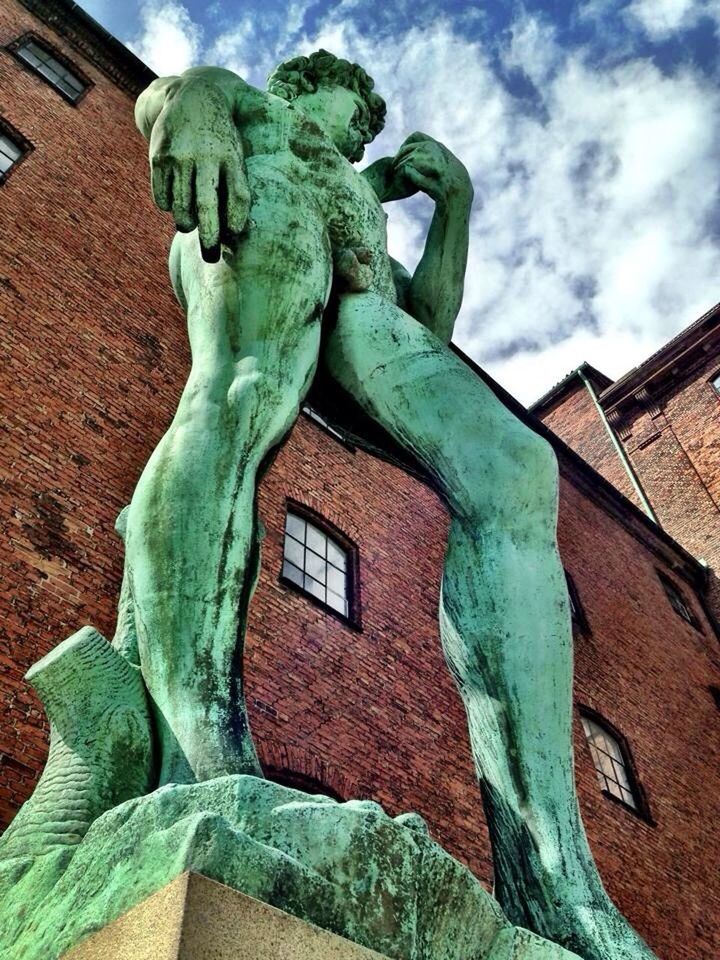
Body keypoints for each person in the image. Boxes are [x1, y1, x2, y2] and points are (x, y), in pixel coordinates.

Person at [132, 51, 655, 960]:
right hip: (270, 200)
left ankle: (555, 885)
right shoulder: (266, 115)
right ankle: (191, 737)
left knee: (517, 470)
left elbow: (426, 325)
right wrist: (195, 106)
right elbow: (177, 93)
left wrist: (453, 212)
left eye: (370, 127)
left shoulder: (362, 193)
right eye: (353, 114)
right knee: (241, 390)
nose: (363, 133)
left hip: (366, 302)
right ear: (307, 92)